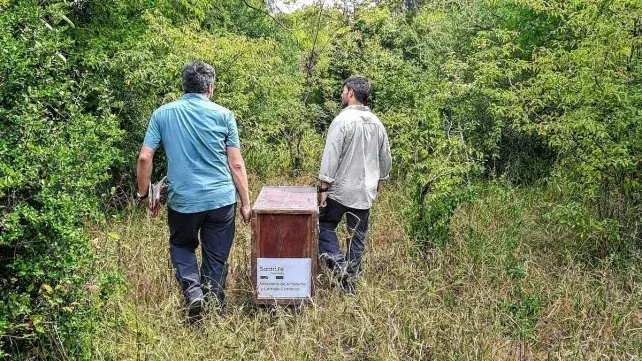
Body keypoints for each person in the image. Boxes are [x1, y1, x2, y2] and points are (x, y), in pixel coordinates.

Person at [135, 61, 251, 322]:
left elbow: (144, 158)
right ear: (210, 87)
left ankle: (193, 292)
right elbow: (235, 163)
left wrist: (145, 195)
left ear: (183, 85)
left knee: (181, 245)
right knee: (216, 256)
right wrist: (245, 202)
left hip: (183, 201)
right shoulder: (224, 115)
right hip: (221, 200)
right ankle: (214, 312)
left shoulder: (162, 114)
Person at [317, 76, 392, 292]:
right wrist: (380, 178)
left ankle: (339, 268)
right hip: (365, 192)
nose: (342, 95)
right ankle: (351, 286)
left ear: (350, 93)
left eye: (343, 91)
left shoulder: (342, 121)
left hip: (340, 190)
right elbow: (385, 158)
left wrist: (324, 187)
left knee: (325, 226)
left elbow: (331, 155)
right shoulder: (377, 123)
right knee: (357, 238)